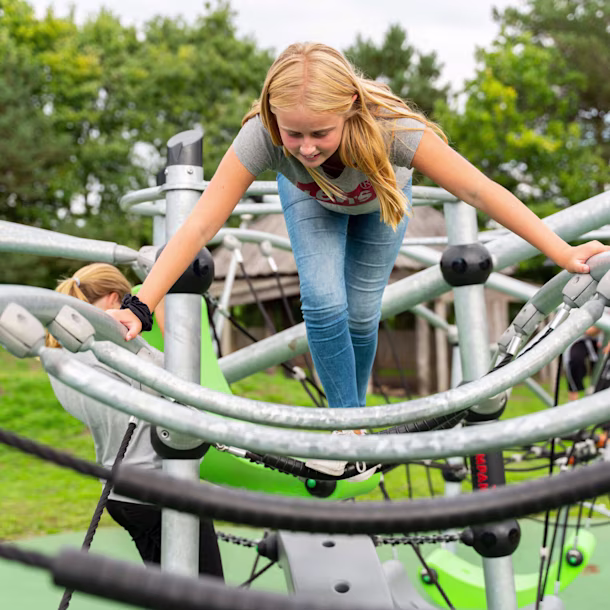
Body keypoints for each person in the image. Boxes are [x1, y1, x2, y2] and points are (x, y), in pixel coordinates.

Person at [109, 42, 610, 476]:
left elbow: (477, 189)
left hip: (382, 204)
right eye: (293, 133)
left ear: (350, 105)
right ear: (271, 114)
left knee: (362, 313)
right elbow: (199, 223)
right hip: (310, 204)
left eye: (319, 134)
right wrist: (139, 305)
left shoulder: (392, 129)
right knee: (325, 306)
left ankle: (355, 415)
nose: (305, 148)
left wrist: (560, 251)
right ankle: (347, 427)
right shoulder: (262, 136)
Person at [46, 262, 224, 578]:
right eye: (130, 303)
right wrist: (169, 298)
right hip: (159, 487)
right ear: (115, 298)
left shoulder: (61, 355)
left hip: (120, 492)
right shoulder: (113, 346)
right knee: (207, 593)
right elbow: (185, 376)